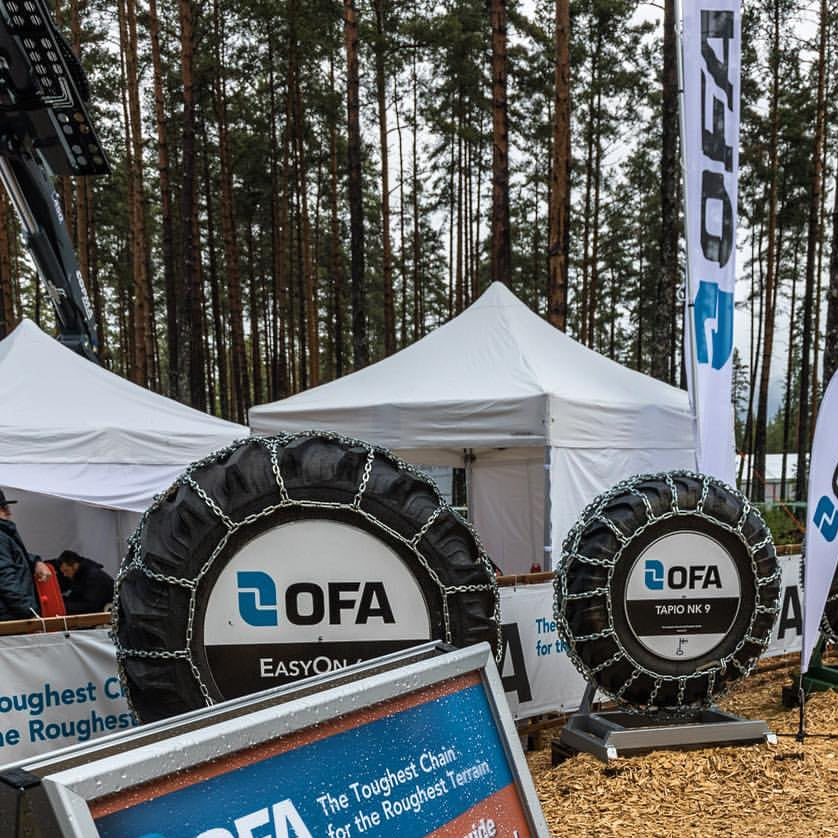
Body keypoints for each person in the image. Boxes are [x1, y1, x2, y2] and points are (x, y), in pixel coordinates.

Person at [0, 488, 50, 621]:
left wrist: (36, 562)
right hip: (10, 618)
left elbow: (15, 556)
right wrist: (29, 612)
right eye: (4, 508)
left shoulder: (4, 534)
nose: (9, 512)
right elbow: (5, 580)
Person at [56, 550, 114, 614]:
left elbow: (91, 606)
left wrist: (65, 607)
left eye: (66, 570)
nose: (65, 575)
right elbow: (75, 598)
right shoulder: (80, 576)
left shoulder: (93, 576)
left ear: (75, 565)